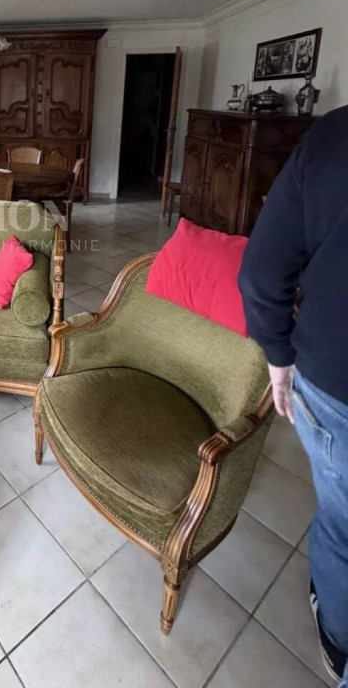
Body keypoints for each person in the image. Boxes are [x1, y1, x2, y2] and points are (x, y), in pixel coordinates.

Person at [239, 105, 348, 687]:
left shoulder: (335, 135)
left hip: (335, 379)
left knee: (342, 525)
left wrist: (277, 356)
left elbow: (260, 271)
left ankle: (337, 638)